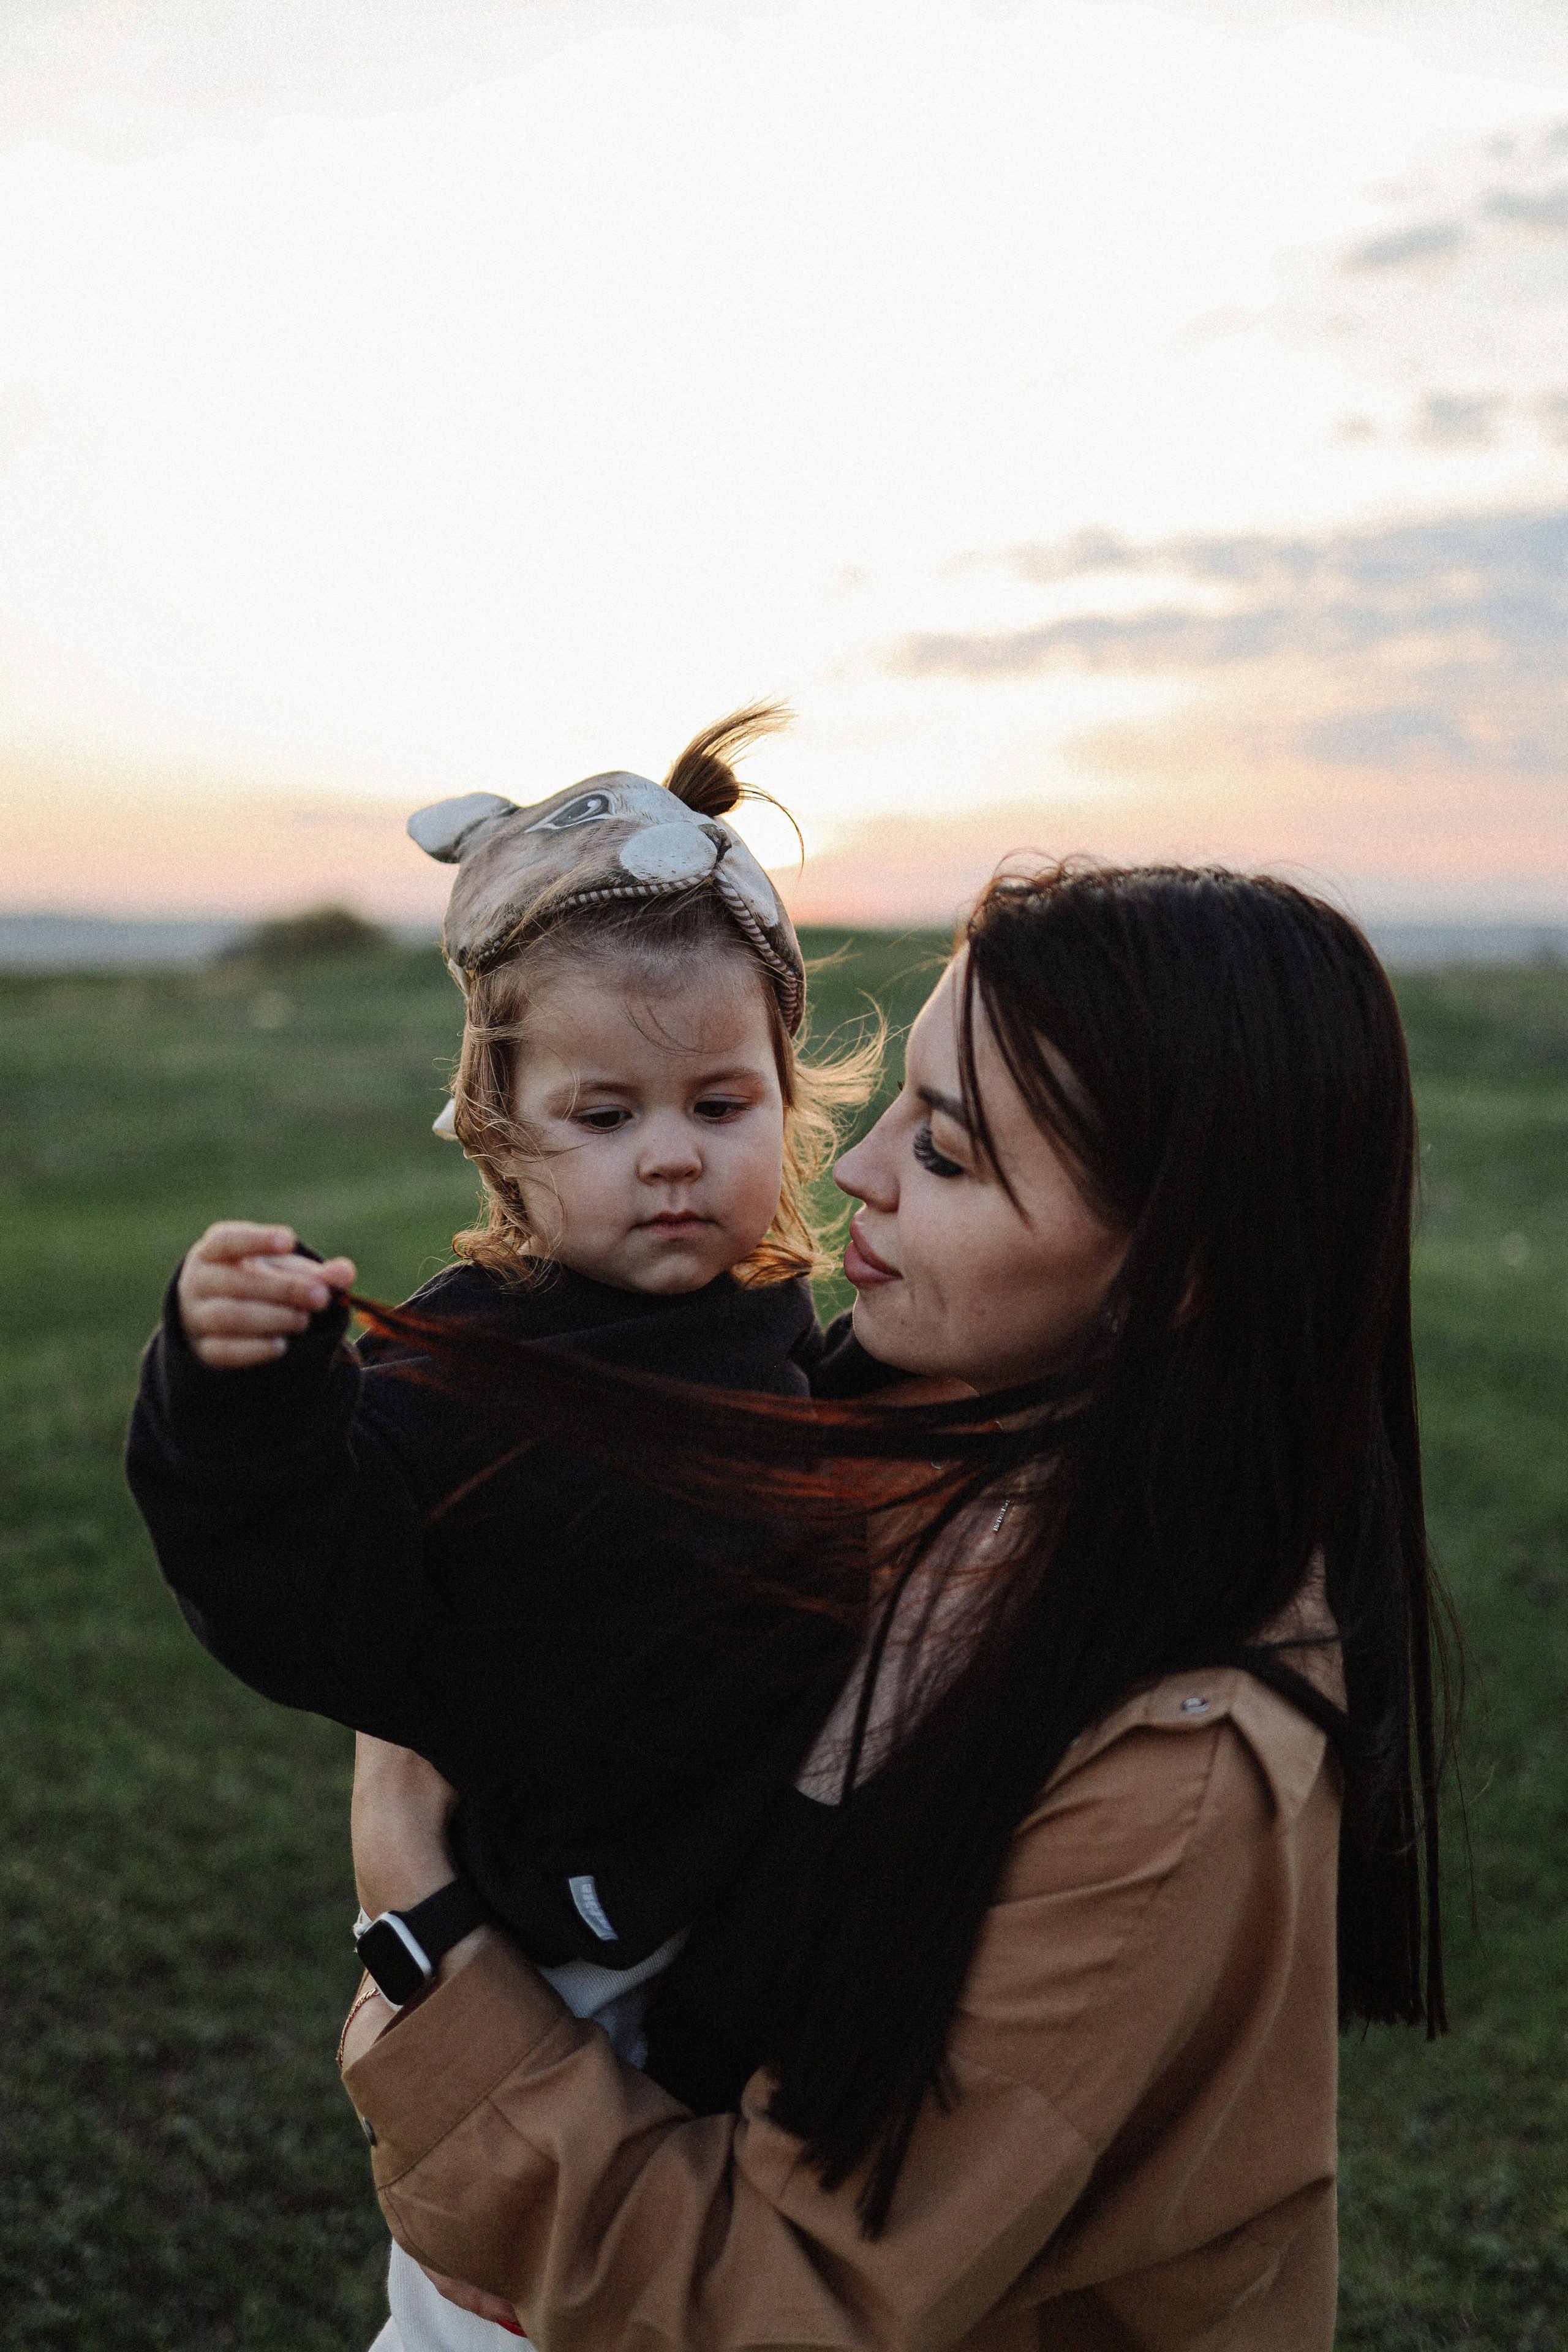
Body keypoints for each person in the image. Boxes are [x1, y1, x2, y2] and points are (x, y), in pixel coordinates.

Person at [337, 861, 1457, 2352]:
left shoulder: (1170, 1773)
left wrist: (414, 1912)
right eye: (886, 1106)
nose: (852, 1170)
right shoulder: (865, 1421)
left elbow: (784, 2301)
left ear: (1172, 1271)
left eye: (944, 1151)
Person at [125, 708, 895, 2350]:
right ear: (502, 1126)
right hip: (570, 1963)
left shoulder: (774, 1325)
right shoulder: (468, 1371)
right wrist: (240, 1396)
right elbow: (305, 1592)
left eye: (721, 1100)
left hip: (754, 1915)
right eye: (607, 1118)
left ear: (784, 1096)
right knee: (516, 2304)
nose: (677, 1157)